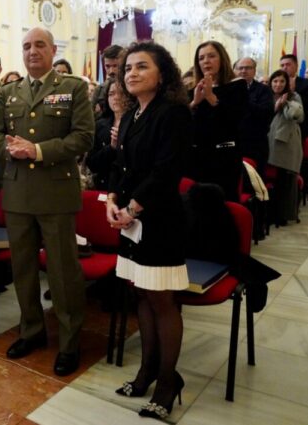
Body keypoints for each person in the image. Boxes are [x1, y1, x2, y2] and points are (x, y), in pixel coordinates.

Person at [0, 27, 94, 376]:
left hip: (56, 194)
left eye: (39, 45)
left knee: (63, 273)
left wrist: (36, 150)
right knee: (22, 270)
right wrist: (8, 148)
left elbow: (83, 137)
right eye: (26, 47)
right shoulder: (9, 91)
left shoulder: (73, 87)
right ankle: (32, 331)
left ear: (53, 49)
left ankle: (69, 342)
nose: (32, 51)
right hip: (17, 192)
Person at [107, 42, 192, 421]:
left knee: (162, 301)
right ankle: (145, 373)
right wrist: (111, 200)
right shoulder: (129, 115)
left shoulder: (172, 113)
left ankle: (167, 382)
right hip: (131, 220)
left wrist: (131, 209)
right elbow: (121, 166)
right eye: (127, 68)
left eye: (142, 66)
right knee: (140, 294)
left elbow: (166, 171)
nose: (132, 73)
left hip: (159, 221)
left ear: (163, 74)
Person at [190, 41, 248, 202]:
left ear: (222, 59)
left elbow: (235, 121)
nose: (206, 61)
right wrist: (194, 102)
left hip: (224, 157)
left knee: (222, 205)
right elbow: (183, 123)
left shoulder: (237, 86)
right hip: (198, 157)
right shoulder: (194, 89)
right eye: (201, 58)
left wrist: (211, 98)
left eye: (211, 56)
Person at [268, 70, 304, 226]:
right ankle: (271, 213)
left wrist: (285, 104)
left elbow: (297, 116)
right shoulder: (266, 95)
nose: (278, 84)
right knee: (273, 180)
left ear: (287, 83)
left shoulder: (293, 96)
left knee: (286, 180)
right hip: (269, 142)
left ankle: (284, 214)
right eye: (275, 81)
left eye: (282, 81)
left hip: (287, 143)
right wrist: (275, 106)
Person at [86, 81, 129, 191]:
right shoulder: (100, 124)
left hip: (128, 187)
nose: (116, 97)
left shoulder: (136, 122)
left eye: (121, 93)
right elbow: (92, 163)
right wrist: (111, 148)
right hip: (103, 185)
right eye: (111, 94)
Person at [234, 57, 275, 174]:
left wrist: (243, 99)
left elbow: (266, 113)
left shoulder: (264, 90)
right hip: (235, 143)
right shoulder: (229, 89)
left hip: (256, 144)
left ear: (254, 71)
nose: (243, 71)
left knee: (255, 182)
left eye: (248, 68)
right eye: (240, 68)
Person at [280, 55, 308, 139]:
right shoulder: (276, 82)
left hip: (299, 126)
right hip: (280, 125)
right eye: (282, 65)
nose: (284, 67)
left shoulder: (306, 83)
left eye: (288, 64)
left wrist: (294, 91)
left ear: (296, 66)